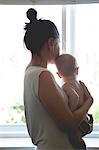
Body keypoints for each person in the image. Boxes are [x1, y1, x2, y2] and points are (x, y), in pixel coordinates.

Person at [23, 8, 93, 150]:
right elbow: (69, 123)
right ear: (51, 43)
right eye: (59, 43)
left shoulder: (31, 72)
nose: (60, 49)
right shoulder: (43, 75)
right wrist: (89, 101)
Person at [55, 53, 93, 149]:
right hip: (86, 120)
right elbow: (88, 98)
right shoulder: (80, 84)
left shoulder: (66, 86)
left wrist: (70, 113)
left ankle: (80, 142)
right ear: (77, 70)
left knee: (72, 137)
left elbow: (75, 97)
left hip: (78, 124)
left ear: (59, 74)